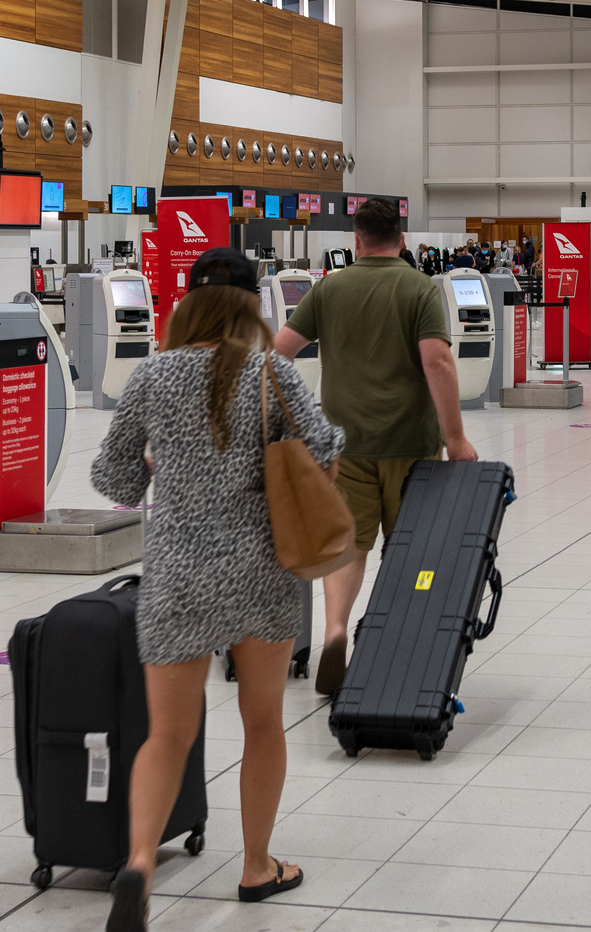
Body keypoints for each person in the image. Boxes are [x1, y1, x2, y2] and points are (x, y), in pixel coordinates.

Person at [91, 249, 344, 931]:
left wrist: (156, 460)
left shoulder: (152, 374)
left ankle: (140, 863)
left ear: (190, 305)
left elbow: (112, 483)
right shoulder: (274, 372)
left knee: (167, 734)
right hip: (260, 571)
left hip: (175, 573)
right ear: (252, 307)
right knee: (262, 722)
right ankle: (257, 865)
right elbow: (323, 453)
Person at [274, 196, 477, 696]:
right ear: (402, 238)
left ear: (356, 240)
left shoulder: (330, 289)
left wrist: (298, 423)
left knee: (348, 546)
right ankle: (398, 648)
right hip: (413, 444)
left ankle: (337, 628)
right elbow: (439, 362)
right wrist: (456, 439)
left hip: (345, 448)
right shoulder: (419, 288)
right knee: (410, 550)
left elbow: (278, 354)